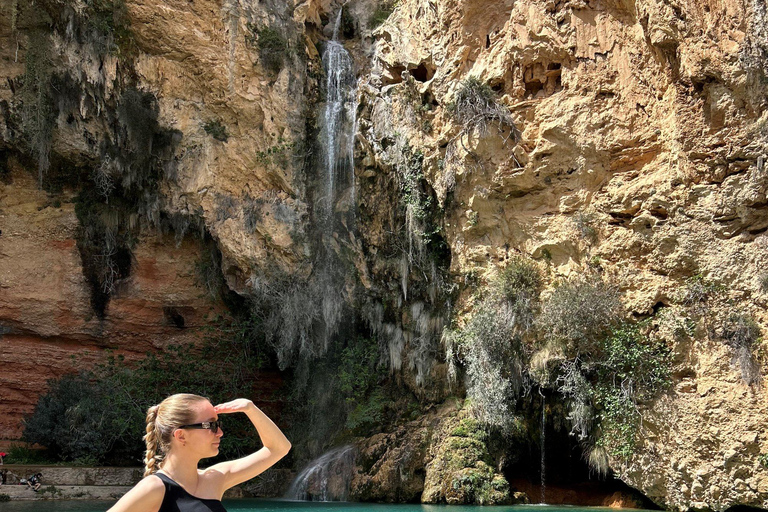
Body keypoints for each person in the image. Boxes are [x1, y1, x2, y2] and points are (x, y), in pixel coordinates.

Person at [107, 394, 291, 512]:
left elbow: (278, 448)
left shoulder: (215, 479)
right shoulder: (154, 487)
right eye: (210, 425)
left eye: (218, 424)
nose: (219, 432)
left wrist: (249, 408)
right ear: (181, 435)